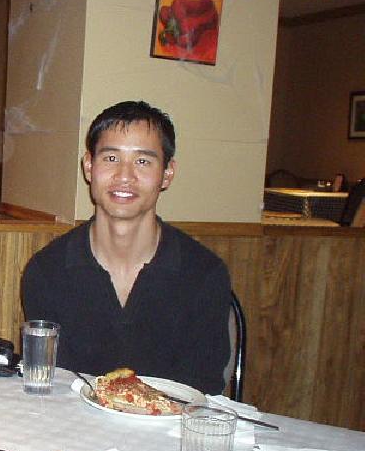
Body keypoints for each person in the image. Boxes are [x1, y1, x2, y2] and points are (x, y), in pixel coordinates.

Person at [22, 101, 231, 394]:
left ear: (167, 174)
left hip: (166, 432)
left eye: (143, 161)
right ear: (88, 166)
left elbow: (201, 389)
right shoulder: (47, 271)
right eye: (110, 158)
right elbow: (53, 385)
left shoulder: (204, 274)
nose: (124, 176)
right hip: (76, 432)